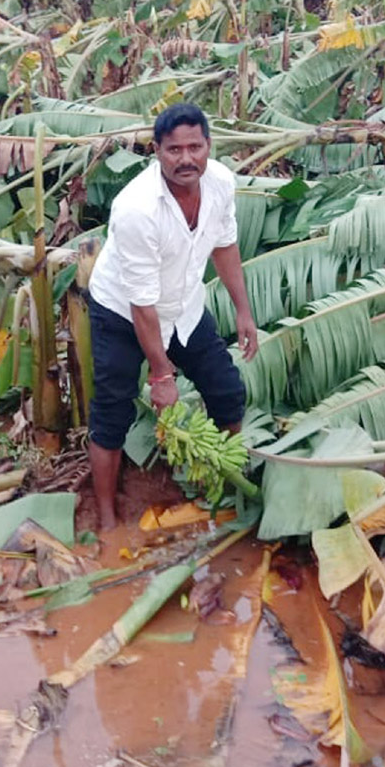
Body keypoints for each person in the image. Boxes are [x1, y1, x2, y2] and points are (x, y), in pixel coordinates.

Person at [86, 103, 258, 531]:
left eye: (195, 148)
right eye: (174, 150)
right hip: (123, 314)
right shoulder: (137, 208)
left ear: (208, 146)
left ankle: (224, 479)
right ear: (157, 152)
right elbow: (143, 306)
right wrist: (162, 375)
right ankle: (106, 515)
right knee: (111, 412)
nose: (186, 159)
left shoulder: (220, 184)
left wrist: (243, 310)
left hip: (183, 307)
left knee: (227, 391)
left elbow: (225, 247)